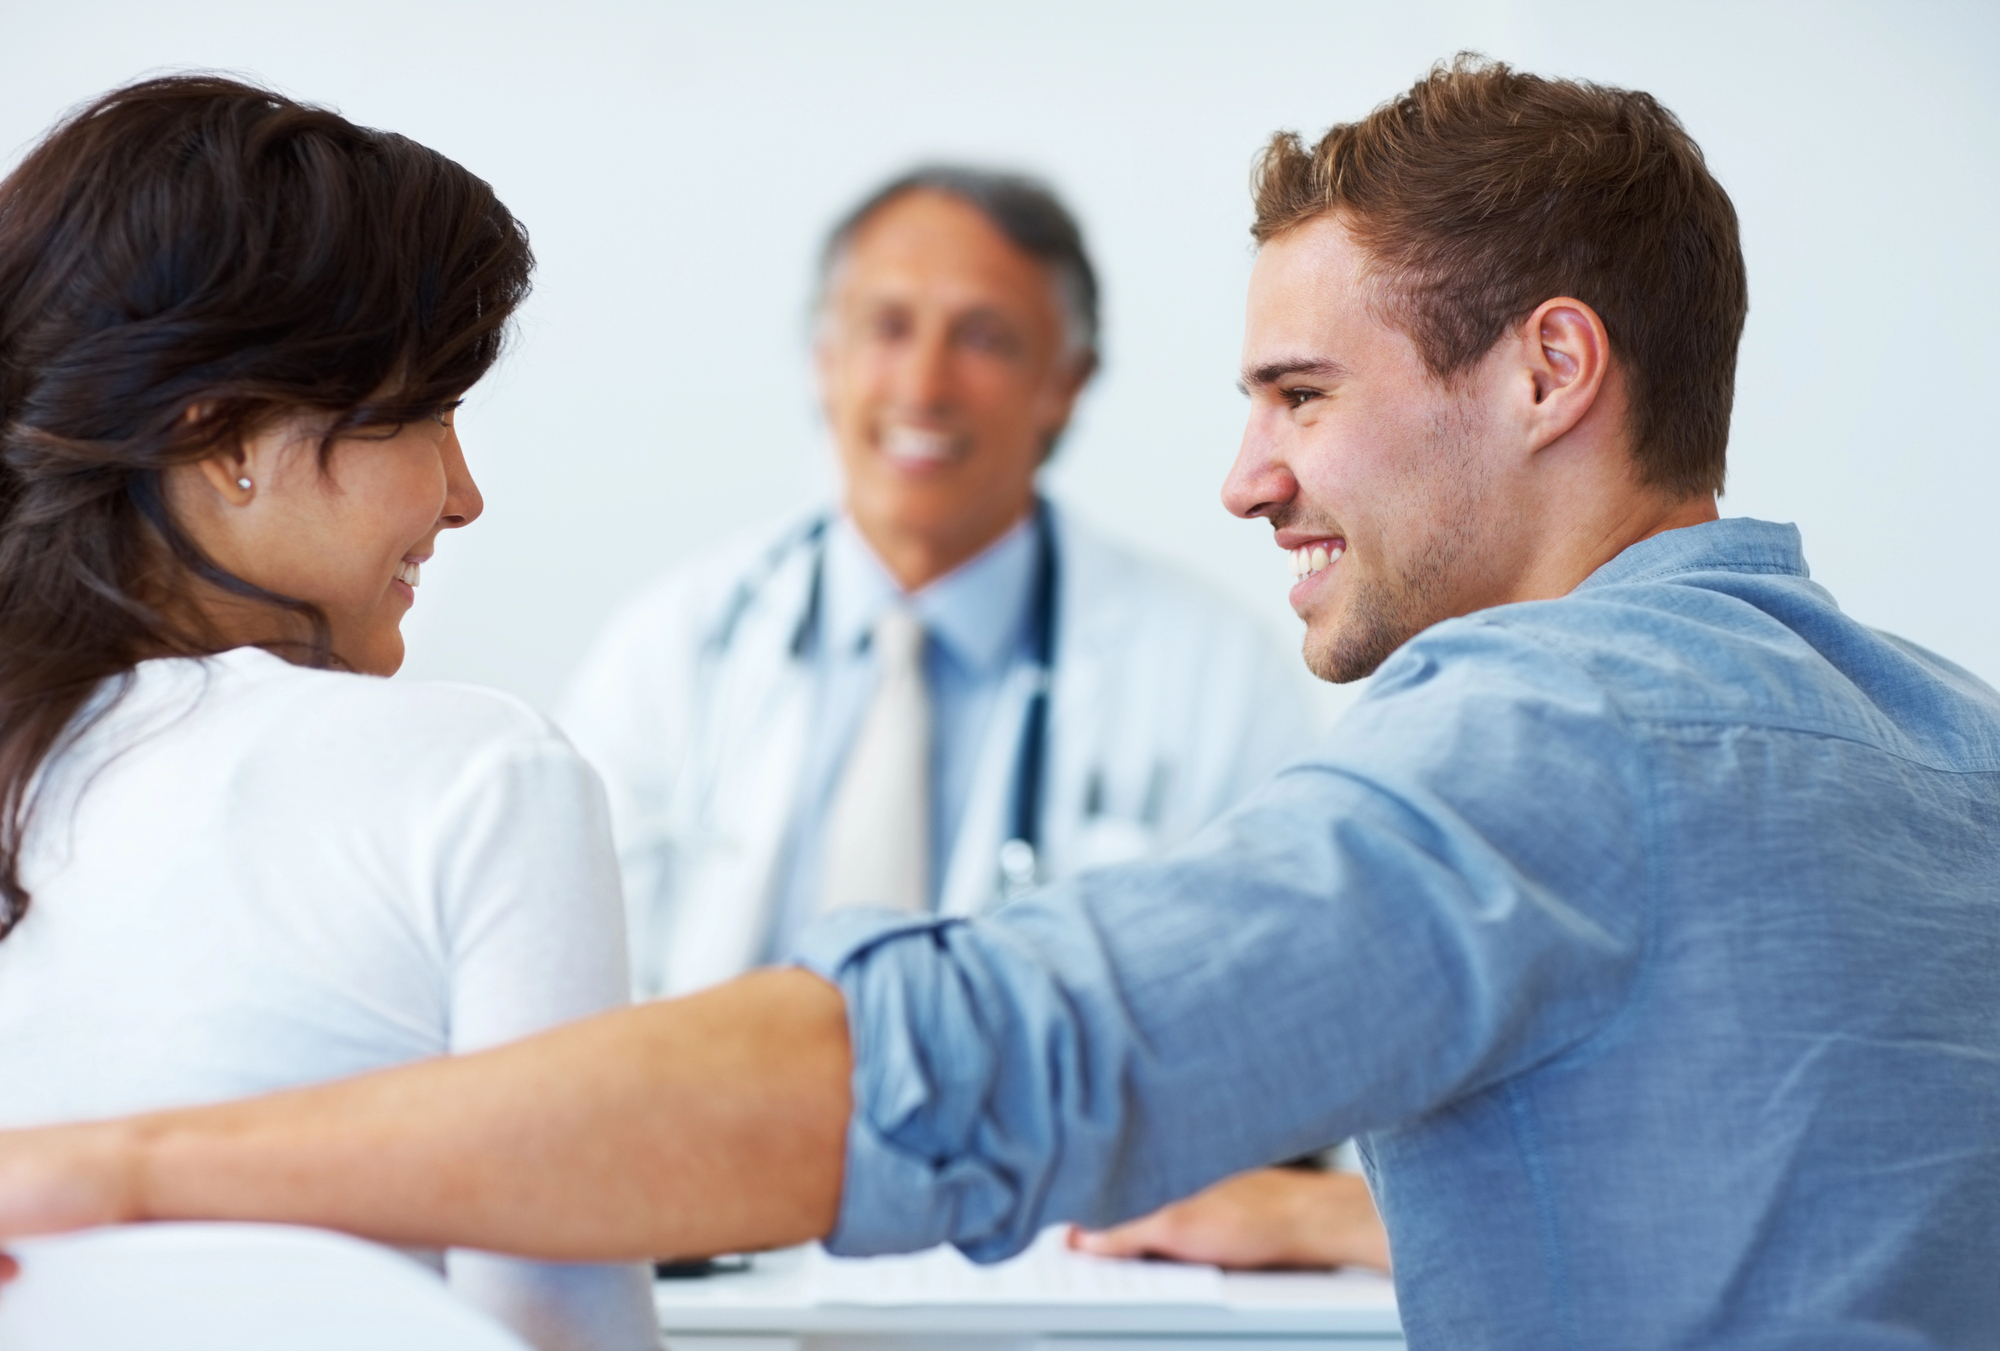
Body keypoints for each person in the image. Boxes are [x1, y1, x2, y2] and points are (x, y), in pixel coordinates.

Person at [3, 57, 1997, 1351]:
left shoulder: (1540, 751)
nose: (1243, 477)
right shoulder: (1942, 742)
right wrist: (1376, 1228)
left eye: (1300, 395)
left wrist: (122, 1172)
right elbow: (1784, 1207)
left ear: (1549, 371)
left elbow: (959, 1062)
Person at [0, 78, 656, 1351]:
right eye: (423, 415)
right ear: (225, 435)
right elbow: (567, 1330)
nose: (462, 496)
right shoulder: (478, 778)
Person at [557, 166, 1313, 999]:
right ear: (824, 358)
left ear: (1066, 383)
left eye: (983, 337)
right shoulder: (669, 648)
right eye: (887, 327)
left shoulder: (1217, 677)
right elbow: (568, 997)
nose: (924, 386)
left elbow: (1268, 1012)